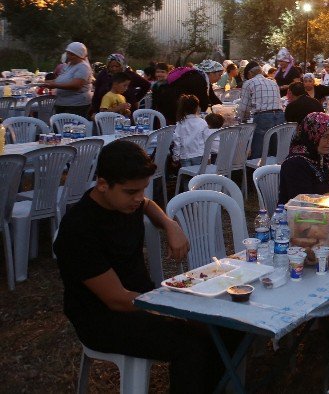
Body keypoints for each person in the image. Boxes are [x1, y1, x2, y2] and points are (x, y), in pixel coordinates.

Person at [53, 140, 233, 393]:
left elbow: (148, 205)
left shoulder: (127, 203)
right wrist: (175, 307)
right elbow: (116, 299)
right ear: (102, 184)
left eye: (143, 189)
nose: (139, 199)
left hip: (144, 300)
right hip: (103, 319)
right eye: (131, 192)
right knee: (190, 344)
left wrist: (170, 224)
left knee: (228, 324)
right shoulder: (79, 230)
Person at [278, 112, 329, 204]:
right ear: (312, 135)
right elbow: (303, 202)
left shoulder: (326, 158)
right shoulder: (294, 164)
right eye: (325, 136)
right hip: (300, 217)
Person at [237, 61, 285, 159]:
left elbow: (244, 108)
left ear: (250, 74)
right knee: (274, 149)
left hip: (263, 117)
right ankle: (273, 171)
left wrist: (241, 120)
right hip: (280, 115)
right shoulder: (273, 82)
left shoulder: (248, 83)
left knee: (259, 150)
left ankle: (256, 172)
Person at [155, 60, 223, 123]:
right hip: (171, 105)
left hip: (175, 104)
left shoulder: (202, 78)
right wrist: (217, 112)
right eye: (219, 75)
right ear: (211, 73)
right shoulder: (198, 79)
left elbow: (212, 97)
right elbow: (203, 102)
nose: (220, 78)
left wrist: (223, 108)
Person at [43, 41, 94, 118]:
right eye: (68, 53)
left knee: (72, 128)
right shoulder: (69, 65)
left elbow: (76, 86)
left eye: (72, 54)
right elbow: (61, 79)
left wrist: (54, 85)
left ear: (79, 55)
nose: (69, 56)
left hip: (76, 105)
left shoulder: (83, 67)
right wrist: (47, 83)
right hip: (63, 103)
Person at [172, 94, 211, 168]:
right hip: (200, 154)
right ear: (197, 107)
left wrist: (175, 158)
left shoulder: (180, 124)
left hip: (185, 156)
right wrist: (208, 157)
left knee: (186, 176)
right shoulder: (202, 122)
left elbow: (177, 142)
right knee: (199, 176)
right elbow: (208, 141)